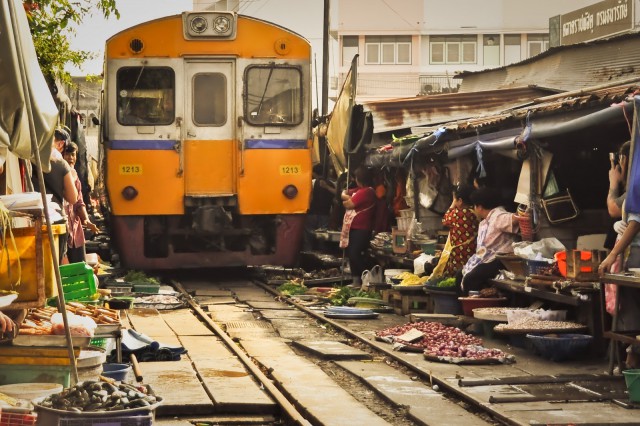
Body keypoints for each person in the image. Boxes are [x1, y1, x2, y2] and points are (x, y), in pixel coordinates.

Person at [458, 187, 520, 294]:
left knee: (470, 278)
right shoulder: (487, 219)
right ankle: (462, 306)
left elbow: (512, 218)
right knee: (460, 274)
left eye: (474, 206)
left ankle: (473, 306)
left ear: (480, 207)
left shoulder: (497, 215)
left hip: (501, 261)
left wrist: (522, 215)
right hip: (488, 259)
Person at [32, 129, 79, 263]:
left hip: (32, 219)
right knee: (55, 265)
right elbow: (72, 197)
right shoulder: (60, 163)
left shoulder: (27, 160)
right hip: (56, 220)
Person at [431, 184, 478, 279]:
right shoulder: (475, 212)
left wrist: (453, 204)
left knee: (455, 277)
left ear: (460, 201)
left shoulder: (457, 213)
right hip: (472, 252)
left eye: (454, 199)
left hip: (459, 254)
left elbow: (445, 220)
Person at [63, 142, 99, 263]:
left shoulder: (75, 176)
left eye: (73, 155)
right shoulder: (57, 173)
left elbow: (79, 202)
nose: (70, 158)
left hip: (75, 227)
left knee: (80, 265)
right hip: (63, 226)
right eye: (67, 154)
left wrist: (86, 220)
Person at [340, 166, 376, 286]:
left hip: (362, 229)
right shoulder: (359, 191)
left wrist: (347, 199)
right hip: (354, 228)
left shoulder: (367, 191)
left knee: (355, 253)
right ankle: (356, 280)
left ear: (359, 179)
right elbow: (344, 194)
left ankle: (367, 279)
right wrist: (347, 197)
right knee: (351, 253)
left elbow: (349, 205)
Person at [303, 164, 336, 250]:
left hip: (311, 214)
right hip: (325, 214)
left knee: (309, 236)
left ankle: (309, 253)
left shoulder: (312, 182)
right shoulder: (332, 184)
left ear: (314, 173)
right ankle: (321, 253)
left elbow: (309, 197)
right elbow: (336, 197)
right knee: (322, 237)